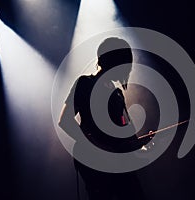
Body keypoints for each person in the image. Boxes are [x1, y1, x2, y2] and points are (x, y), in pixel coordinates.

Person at [58, 37, 145, 200]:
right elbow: (65, 121)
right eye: (124, 62)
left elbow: (125, 131)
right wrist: (101, 149)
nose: (127, 68)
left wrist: (139, 143)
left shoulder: (117, 93)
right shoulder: (85, 84)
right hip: (96, 165)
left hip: (118, 163)